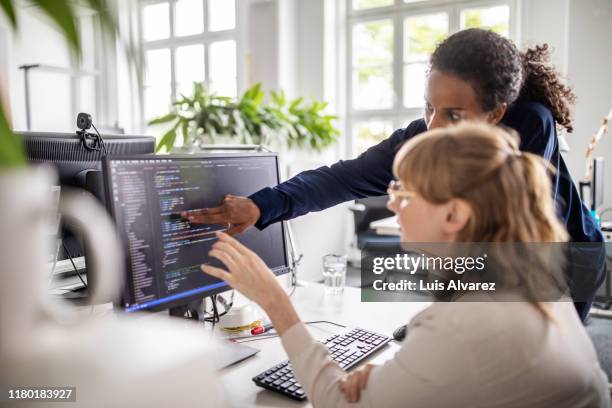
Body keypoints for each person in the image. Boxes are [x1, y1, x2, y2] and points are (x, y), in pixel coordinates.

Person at [185, 28, 605, 320]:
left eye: (454, 114)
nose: (435, 125)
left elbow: (512, 237)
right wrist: (260, 206)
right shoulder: (425, 134)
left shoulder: (529, 123)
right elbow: (343, 177)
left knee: (538, 365)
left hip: (568, 256)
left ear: (495, 113)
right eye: (429, 107)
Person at [201, 123, 610, 407]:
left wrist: (274, 301)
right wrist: (397, 378)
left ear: (453, 216)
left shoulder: (468, 322)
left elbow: (334, 400)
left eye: (404, 191)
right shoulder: (527, 276)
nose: (392, 202)